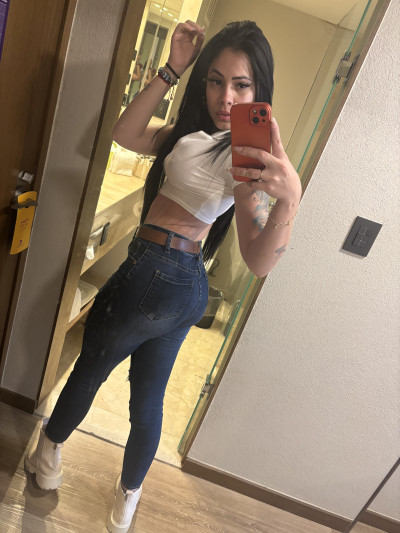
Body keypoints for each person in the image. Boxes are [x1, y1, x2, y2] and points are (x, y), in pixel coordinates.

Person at [25, 20, 301, 533]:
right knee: (148, 400)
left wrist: (290, 200)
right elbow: (125, 133)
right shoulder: (194, 135)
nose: (226, 97)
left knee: (89, 370)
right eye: (215, 81)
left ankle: (46, 458)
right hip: (187, 286)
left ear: (260, 90)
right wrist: (173, 68)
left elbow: (260, 260)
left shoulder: (244, 157)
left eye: (241, 85)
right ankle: (126, 502)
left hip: (154, 270)